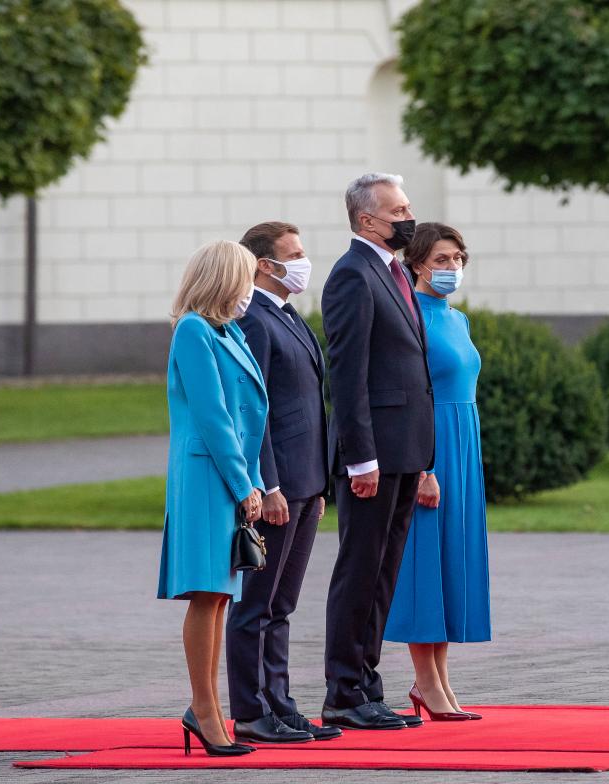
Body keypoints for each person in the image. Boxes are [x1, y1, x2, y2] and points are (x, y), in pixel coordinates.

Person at [319, 173, 435, 731]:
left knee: (384, 572)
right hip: (373, 454)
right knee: (360, 570)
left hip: (403, 448)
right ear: (368, 220)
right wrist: (359, 456)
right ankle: (343, 691)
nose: (408, 218)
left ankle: (366, 685)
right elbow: (348, 373)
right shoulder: (352, 275)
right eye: (400, 210)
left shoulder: (391, 272)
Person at [224, 222, 341, 744]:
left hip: (305, 481)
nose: (302, 262)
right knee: (257, 603)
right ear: (264, 265)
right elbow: (257, 412)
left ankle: (280, 701)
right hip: (278, 485)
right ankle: (251, 710)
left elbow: (308, 407)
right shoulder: (253, 318)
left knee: (283, 604)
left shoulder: (287, 314)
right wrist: (268, 484)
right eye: (292, 255)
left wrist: (317, 485)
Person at [157, 240, 266, 757]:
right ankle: (204, 709)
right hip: (207, 478)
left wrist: (257, 480)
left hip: (231, 475)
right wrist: (243, 483)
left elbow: (249, 416)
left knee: (221, 596)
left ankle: (207, 708)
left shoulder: (229, 331)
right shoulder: (194, 331)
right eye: (246, 278)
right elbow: (214, 416)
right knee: (208, 593)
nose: (251, 289)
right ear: (225, 278)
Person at [384, 223, 491, 722]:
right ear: (417, 263)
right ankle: (425, 681)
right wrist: (424, 466)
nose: (453, 268)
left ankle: (440, 679)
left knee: (450, 561)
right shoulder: (410, 319)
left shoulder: (458, 318)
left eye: (458, 259)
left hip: (463, 446)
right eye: (443, 260)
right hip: (430, 448)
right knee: (424, 560)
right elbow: (413, 397)